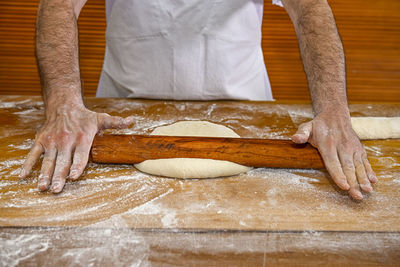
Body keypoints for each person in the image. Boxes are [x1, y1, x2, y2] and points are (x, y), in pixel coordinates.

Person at [20, 0, 378, 199]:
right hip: (121, 114)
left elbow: (310, 6)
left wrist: (333, 109)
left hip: (244, 106)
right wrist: (64, 105)